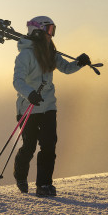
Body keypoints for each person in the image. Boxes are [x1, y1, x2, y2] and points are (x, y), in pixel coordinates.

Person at [13, 15, 91, 197]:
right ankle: (20, 175)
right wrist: (30, 93)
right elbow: (17, 81)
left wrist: (79, 63)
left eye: (53, 30)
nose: (51, 35)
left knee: (49, 145)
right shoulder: (25, 56)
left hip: (48, 106)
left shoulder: (51, 53)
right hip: (28, 108)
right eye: (49, 30)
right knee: (29, 146)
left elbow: (66, 68)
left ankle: (44, 184)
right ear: (38, 32)